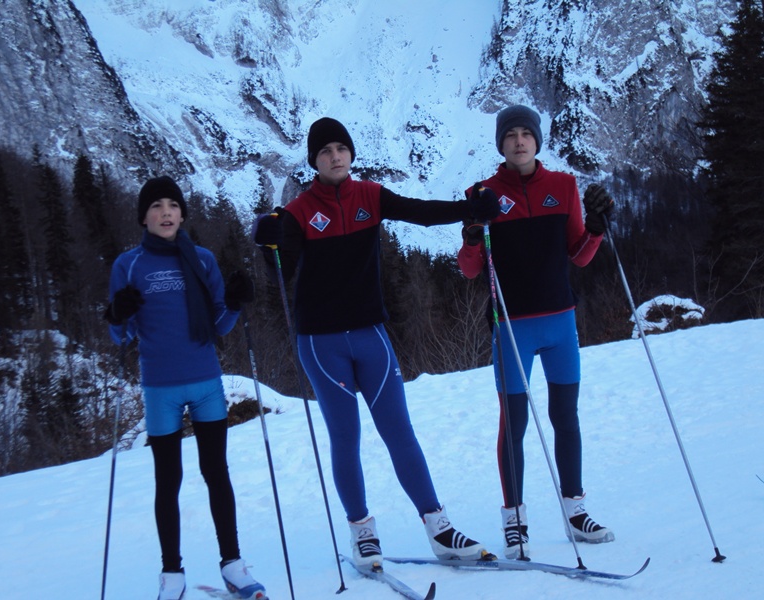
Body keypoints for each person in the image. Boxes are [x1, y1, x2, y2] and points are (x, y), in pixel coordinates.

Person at [252, 117, 500, 569]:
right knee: (346, 437)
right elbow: (280, 272)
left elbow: (421, 211)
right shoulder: (299, 212)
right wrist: (267, 244)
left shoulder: (370, 195)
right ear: (314, 161)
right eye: (325, 151)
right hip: (321, 343)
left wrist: (471, 209)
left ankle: (439, 528)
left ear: (351, 154)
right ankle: (362, 533)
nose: (335, 156)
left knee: (399, 431)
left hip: (371, 334)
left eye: (341, 148)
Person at [456, 105, 616, 560]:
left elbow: (579, 254)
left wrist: (596, 231)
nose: (519, 141)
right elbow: (469, 269)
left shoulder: (563, 186)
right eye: (510, 135)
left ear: (537, 140)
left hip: (561, 321)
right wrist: (472, 235)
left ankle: (576, 512)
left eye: (526, 133)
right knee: (515, 425)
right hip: (512, 327)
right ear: (501, 144)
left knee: (566, 417)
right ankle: (515, 521)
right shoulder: (482, 194)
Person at [104, 176, 266, 600]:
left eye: (173, 205)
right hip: (160, 388)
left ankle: (233, 564)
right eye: (156, 206)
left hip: (206, 382)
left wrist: (234, 303)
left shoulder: (203, 260)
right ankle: (172, 573)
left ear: (182, 214)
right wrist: (116, 314)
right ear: (143, 217)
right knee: (167, 480)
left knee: (217, 474)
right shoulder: (129, 265)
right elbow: (121, 336)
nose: (165, 212)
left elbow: (220, 325)